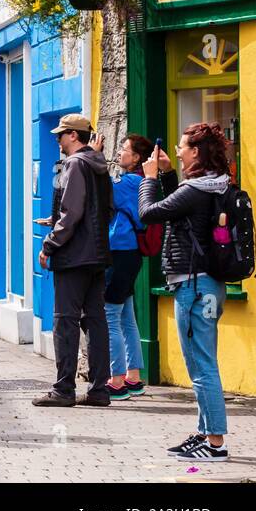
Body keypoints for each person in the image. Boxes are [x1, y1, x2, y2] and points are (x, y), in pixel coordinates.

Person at [138, 123, 234, 462]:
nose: (177, 152)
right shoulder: (215, 185)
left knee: (201, 366)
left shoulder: (195, 190)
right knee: (203, 362)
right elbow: (180, 209)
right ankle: (204, 434)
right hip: (210, 284)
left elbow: (150, 213)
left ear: (196, 152)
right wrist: (167, 175)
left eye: (181, 147)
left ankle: (216, 444)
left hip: (192, 285)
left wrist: (149, 178)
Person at [32, 115, 113, 409]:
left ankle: (64, 389)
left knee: (65, 321)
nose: (58, 140)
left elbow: (72, 211)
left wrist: (50, 243)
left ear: (74, 136)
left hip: (74, 256)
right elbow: (104, 209)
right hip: (97, 254)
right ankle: (99, 389)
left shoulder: (76, 164)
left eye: (61, 135)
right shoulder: (99, 165)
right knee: (96, 320)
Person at [105, 134, 152, 400]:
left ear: (136, 158)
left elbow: (100, 189)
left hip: (120, 251)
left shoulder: (127, 182)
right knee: (127, 318)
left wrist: (95, 156)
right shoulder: (144, 182)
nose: (120, 153)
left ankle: (117, 381)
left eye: (124, 150)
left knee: (110, 315)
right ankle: (133, 377)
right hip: (132, 252)